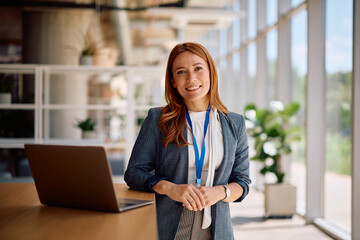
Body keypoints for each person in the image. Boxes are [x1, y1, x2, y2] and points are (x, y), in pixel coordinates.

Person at [124, 42, 251, 240]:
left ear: (211, 72)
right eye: (181, 72)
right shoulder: (158, 119)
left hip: (217, 230)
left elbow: (242, 183)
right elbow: (133, 173)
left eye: (198, 68)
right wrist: (170, 188)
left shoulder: (234, 123)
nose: (191, 78)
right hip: (170, 227)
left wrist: (219, 192)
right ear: (173, 81)